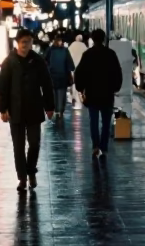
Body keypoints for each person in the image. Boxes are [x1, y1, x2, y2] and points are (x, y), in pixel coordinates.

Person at [0, 27, 55, 191]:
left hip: (34, 108)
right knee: (18, 146)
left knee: (35, 143)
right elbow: (3, 86)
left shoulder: (38, 61)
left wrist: (49, 106)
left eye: (29, 42)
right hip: (15, 110)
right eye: (23, 42)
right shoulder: (9, 62)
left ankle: (31, 170)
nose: (26, 45)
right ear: (17, 43)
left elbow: (47, 84)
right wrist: (3, 109)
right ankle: (22, 178)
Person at [73, 28, 123, 160]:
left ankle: (95, 146)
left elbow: (79, 72)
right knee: (106, 122)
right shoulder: (111, 54)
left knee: (93, 121)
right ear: (104, 38)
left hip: (92, 94)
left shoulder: (87, 54)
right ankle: (104, 147)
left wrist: (80, 88)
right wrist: (116, 87)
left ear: (92, 39)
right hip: (107, 94)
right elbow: (117, 72)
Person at [46, 33, 76, 119]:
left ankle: (57, 110)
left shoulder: (50, 50)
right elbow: (69, 63)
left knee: (55, 93)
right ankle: (60, 110)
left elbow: (45, 61)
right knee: (61, 94)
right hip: (63, 76)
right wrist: (70, 71)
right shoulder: (65, 50)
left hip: (53, 76)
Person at [69, 31, 88, 104]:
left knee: (74, 79)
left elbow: (68, 53)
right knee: (81, 78)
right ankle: (80, 90)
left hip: (73, 63)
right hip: (81, 65)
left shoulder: (72, 45)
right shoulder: (83, 45)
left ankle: (74, 91)